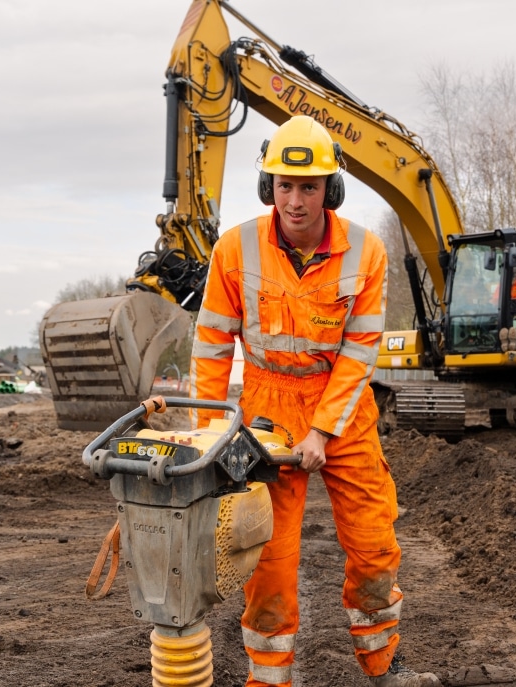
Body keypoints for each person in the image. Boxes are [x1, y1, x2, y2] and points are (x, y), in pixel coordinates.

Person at [190, 115, 441, 687]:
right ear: (267, 187)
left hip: (343, 411)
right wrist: (209, 435)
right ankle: (269, 678)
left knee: (375, 547)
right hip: (265, 411)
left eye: (309, 187)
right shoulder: (236, 249)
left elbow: (359, 355)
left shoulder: (366, 252)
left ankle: (383, 664)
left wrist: (322, 433)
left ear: (331, 188)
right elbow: (209, 350)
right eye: (284, 185)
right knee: (267, 561)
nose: (296, 201)